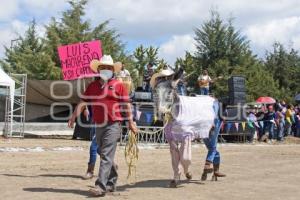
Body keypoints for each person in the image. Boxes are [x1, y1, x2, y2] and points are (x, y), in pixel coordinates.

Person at [68, 55, 138, 197]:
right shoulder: (92, 86)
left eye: (108, 68)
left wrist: (130, 122)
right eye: (103, 67)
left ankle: (100, 187)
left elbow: (126, 105)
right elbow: (83, 102)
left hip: (114, 124)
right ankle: (111, 180)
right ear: (98, 69)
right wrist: (74, 116)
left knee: (105, 154)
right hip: (99, 124)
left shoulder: (119, 85)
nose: (106, 70)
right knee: (101, 151)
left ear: (113, 70)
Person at [201, 101, 226, 181]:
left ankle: (214, 172)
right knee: (213, 148)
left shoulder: (205, 103)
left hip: (203, 126)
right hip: (213, 124)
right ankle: (207, 166)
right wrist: (213, 123)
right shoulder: (215, 103)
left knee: (213, 149)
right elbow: (215, 113)